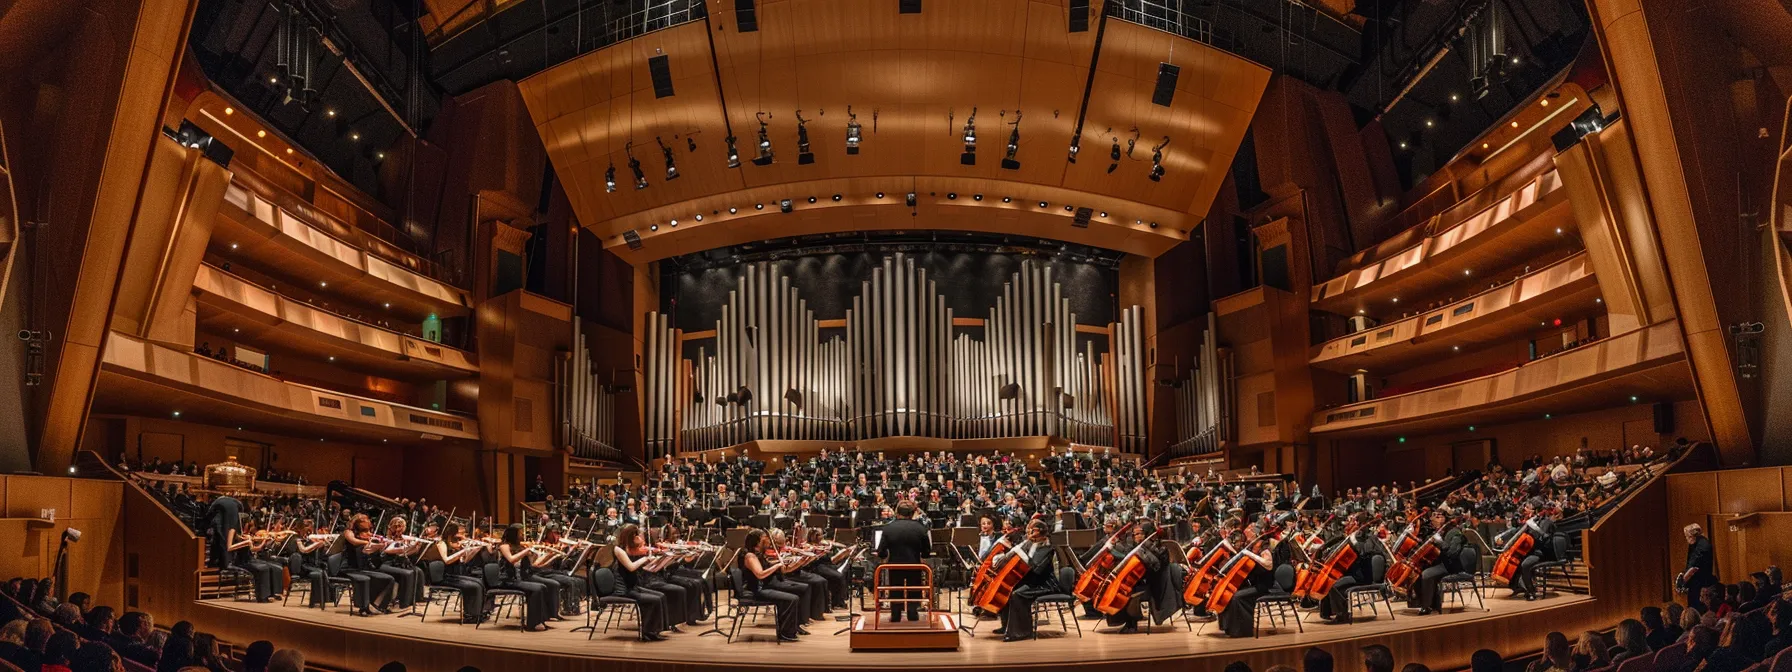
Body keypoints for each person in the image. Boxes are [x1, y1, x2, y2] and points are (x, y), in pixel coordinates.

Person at [990, 519, 1057, 642]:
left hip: (1044, 584)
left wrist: (1020, 551)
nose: (1028, 530)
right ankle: (1006, 625)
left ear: (1038, 531)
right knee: (1008, 589)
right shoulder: (1029, 544)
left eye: (1031, 529)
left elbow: (1036, 569)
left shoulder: (1047, 548)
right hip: (1031, 581)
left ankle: (1022, 632)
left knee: (1017, 594)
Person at [739, 529, 802, 642]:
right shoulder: (750, 556)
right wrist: (777, 565)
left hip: (764, 587)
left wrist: (797, 562)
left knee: (793, 595)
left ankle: (789, 631)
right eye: (765, 539)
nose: (768, 542)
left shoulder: (758, 555)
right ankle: (785, 634)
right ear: (758, 542)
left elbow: (770, 568)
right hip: (757, 591)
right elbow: (760, 574)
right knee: (792, 599)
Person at [875, 500, 932, 623]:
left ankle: (895, 614)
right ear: (912, 513)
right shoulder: (921, 528)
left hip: (895, 565)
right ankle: (913, 613)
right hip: (914, 565)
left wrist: (885, 554)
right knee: (914, 587)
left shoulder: (888, 528)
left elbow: (881, 552)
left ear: (897, 512)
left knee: (896, 588)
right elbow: (927, 552)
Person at [609, 524, 669, 640]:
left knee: (661, 596)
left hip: (633, 586)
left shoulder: (630, 549)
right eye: (635, 535)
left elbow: (638, 563)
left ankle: (656, 630)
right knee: (654, 600)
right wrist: (645, 559)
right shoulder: (618, 550)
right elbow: (631, 567)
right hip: (624, 589)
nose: (637, 537)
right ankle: (647, 633)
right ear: (629, 536)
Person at [495, 523, 557, 633]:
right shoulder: (504, 546)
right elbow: (511, 559)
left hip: (519, 579)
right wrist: (525, 551)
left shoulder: (521, 547)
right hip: (507, 580)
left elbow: (533, 563)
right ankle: (532, 624)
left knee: (542, 587)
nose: (522, 535)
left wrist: (540, 555)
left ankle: (540, 620)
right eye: (520, 533)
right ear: (513, 534)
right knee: (537, 589)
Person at [1323, 513, 1384, 623]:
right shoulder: (1355, 537)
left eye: (1355, 522)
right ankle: (1327, 612)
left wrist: (1355, 542)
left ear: (1361, 524)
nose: (1352, 524)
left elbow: (1366, 552)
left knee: (1334, 586)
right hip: (1353, 574)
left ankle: (1342, 615)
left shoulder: (1369, 538)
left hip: (1362, 577)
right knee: (1329, 580)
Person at [1410, 510, 1466, 615]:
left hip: (1450, 565)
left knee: (1426, 574)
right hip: (1439, 563)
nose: (1435, 519)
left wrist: (1440, 542)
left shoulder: (1455, 532)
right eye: (1434, 516)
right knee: (1416, 573)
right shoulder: (1438, 532)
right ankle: (1430, 604)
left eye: (1439, 516)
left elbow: (1452, 553)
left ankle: (1427, 606)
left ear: (1445, 518)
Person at [228, 518, 286, 603]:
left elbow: (254, 549)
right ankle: (262, 596)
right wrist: (246, 542)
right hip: (240, 561)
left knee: (275, 567)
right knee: (263, 568)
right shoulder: (233, 531)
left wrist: (264, 541)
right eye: (249, 525)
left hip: (250, 559)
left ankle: (273, 593)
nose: (250, 528)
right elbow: (229, 548)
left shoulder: (247, 534)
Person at [1681, 524, 1717, 612]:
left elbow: (1694, 565)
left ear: (1692, 535)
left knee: (1697, 608)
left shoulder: (1702, 545)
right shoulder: (1697, 543)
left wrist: (1683, 581)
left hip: (1700, 583)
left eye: (1687, 536)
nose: (1686, 538)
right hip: (1698, 581)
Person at [203, 495, 242, 569]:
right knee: (224, 543)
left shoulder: (220, 501)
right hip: (221, 525)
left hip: (217, 525)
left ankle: (214, 565)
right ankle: (224, 564)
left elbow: (209, 514)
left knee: (217, 545)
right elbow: (234, 524)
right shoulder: (235, 506)